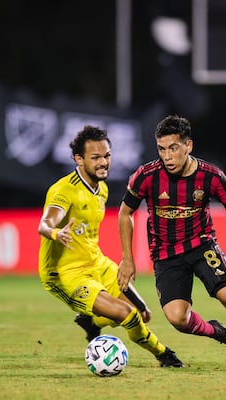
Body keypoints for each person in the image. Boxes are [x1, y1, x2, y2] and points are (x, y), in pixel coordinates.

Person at [117, 114, 226, 377]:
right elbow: (125, 213)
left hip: (202, 246)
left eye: (173, 148)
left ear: (188, 146)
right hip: (166, 255)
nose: (167, 156)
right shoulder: (146, 176)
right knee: (178, 318)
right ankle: (216, 331)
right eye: (162, 149)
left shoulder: (211, 176)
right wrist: (127, 258)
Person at [38, 125, 184, 368]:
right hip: (66, 274)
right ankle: (164, 354)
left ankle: (92, 323)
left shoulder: (101, 189)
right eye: (95, 157)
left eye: (106, 155)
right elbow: (45, 223)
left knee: (144, 313)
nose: (103, 162)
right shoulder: (63, 190)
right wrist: (55, 231)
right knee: (128, 315)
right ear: (79, 159)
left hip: (97, 264)